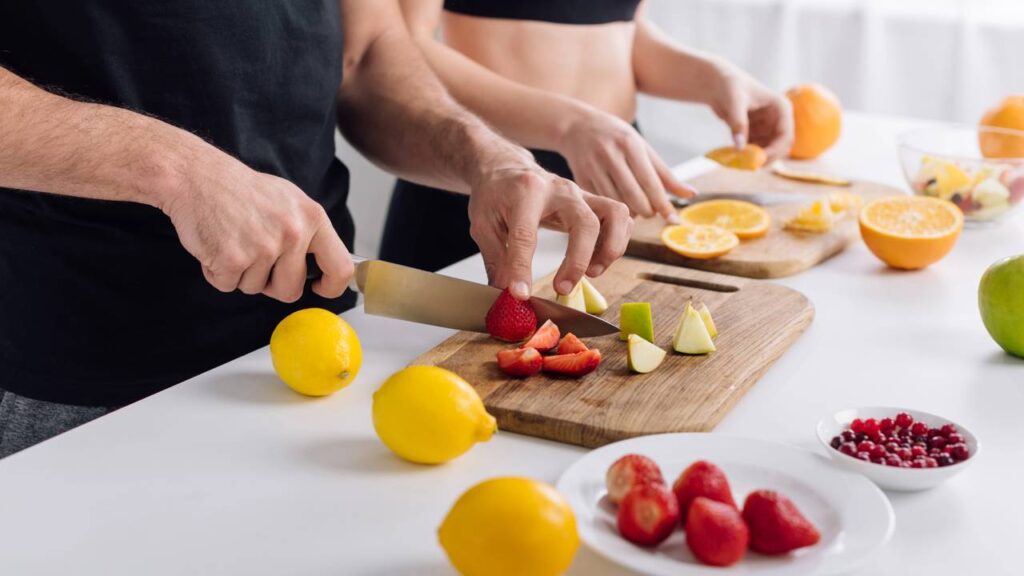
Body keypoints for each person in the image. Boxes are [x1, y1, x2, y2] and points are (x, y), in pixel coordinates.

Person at [0, 0, 633, 458]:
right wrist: (176, 168)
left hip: (324, 356)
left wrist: (486, 157)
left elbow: (365, 59)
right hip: (79, 382)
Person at [380, 0, 793, 272]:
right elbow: (399, 47)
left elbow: (620, 32)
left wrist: (716, 79)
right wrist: (569, 123)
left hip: (611, 173)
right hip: (482, 174)